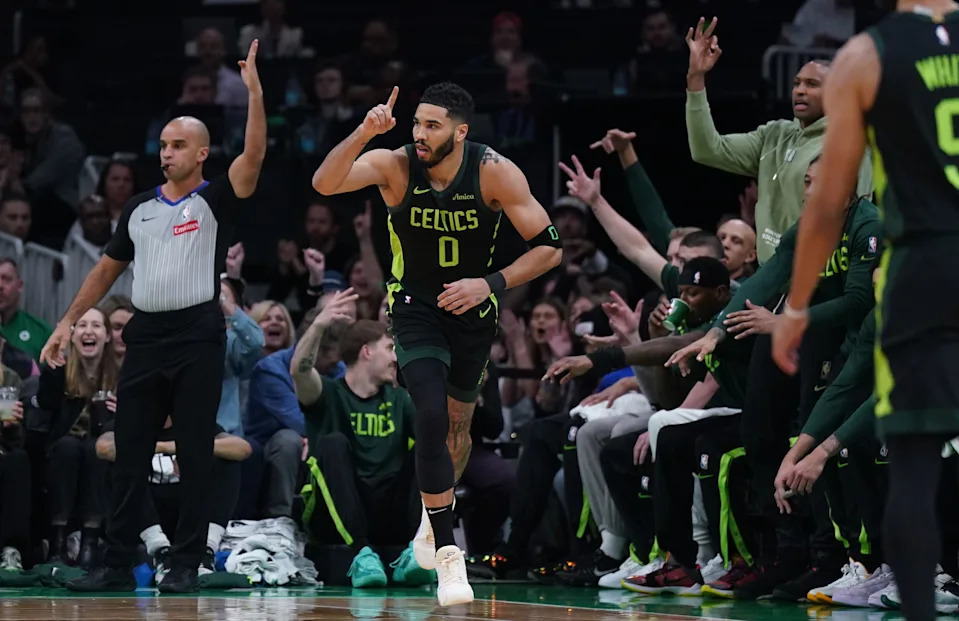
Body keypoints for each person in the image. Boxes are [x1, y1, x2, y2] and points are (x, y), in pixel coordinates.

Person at [312, 81, 562, 605]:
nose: (420, 134)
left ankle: (432, 519)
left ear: (460, 131)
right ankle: (450, 556)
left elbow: (549, 249)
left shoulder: (495, 171)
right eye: (416, 123)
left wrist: (488, 283)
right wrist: (365, 131)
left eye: (432, 125)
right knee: (427, 413)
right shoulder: (396, 164)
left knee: (456, 426)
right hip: (415, 307)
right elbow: (325, 182)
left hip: (473, 308)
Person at [38, 41, 266, 594]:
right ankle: (117, 563)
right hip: (145, 337)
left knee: (194, 452)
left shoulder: (216, 198)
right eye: (163, 144)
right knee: (129, 451)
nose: (166, 153)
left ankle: (186, 562)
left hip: (197, 336)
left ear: (202, 153)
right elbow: (106, 270)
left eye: (178, 145)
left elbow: (254, 157)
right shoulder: (138, 205)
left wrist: (255, 93)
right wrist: (68, 320)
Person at [770, 2, 959, 620]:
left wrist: (797, 306)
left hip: (924, 265)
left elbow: (828, 204)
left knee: (911, 466)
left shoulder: (864, 56)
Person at [292, 313, 436, 589]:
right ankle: (360, 553)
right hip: (332, 515)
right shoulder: (329, 394)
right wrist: (320, 325)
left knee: (428, 447)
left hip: (386, 512)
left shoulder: (399, 399)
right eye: (390, 348)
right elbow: (299, 370)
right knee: (333, 443)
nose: (396, 358)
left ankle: (415, 551)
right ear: (366, 351)